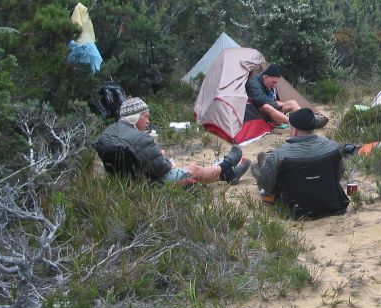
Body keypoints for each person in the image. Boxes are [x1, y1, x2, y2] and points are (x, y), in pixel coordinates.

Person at [93, 97, 251, 185]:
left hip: (132, 181)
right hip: (152, 185)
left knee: (185, 170)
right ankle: (227, 164)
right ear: (134, 117)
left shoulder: (111, 131)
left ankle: (228, 175)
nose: (148, 121)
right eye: (145, 116)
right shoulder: (140, 138)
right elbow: (162, 169)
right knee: (193, 169)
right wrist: (168, 162)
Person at [253, 108, 348, 218]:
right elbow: (338, 174)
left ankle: (261, 167)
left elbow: (267, 185)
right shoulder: (334, 147)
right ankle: (262, 165)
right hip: (331, 205)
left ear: (294, 131)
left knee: (265, 173)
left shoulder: (279, 155)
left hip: (295, 211)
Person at [245, 64, 328, 128]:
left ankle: (309, 120)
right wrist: (276, 104)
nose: (274, 85)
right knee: (267, 106)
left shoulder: (266, 82)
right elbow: (260, 100)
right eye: (273, 82)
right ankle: (297, 124)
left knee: (292, 103)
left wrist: (277, 103)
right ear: (265, 77)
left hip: (270, 108)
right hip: (257, 112)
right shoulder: (253, 84)